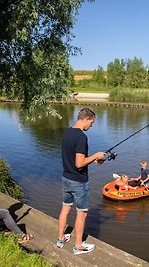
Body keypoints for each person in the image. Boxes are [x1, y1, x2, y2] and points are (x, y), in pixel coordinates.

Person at [57, 108, 106, 255]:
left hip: (66, 177)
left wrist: (91, 159)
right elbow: (79, 164)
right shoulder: (81, 137)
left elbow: (75, 159)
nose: (91, 126)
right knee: (82, 213)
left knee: (65, 208)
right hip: (78, 181)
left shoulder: (67, 132)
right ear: (86, 118)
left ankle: (60, 239)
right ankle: (78, 246)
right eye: (91, 122)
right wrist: (96, 155)